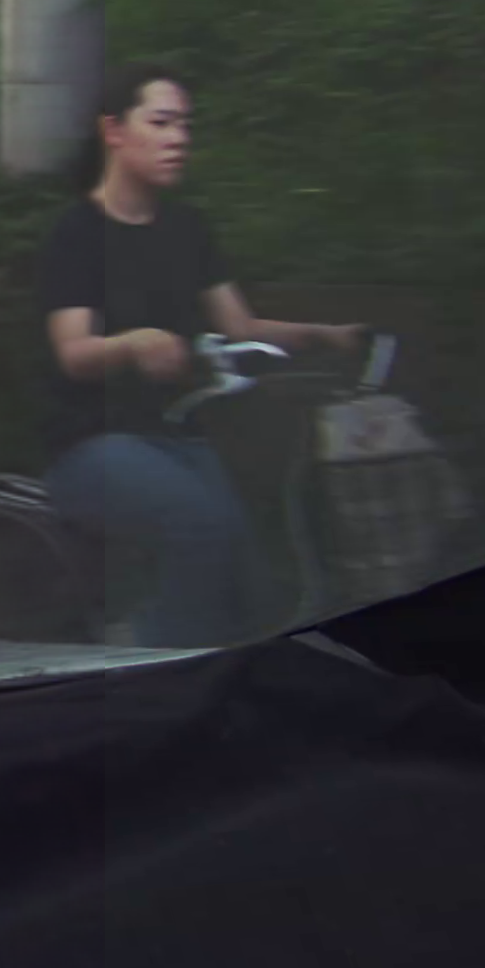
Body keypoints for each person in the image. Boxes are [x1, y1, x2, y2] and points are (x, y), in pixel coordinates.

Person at [37, 63, 362, 644]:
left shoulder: (188, 228)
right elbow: (74, 353)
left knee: (248, 570)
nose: (179, 138)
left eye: (185, 125)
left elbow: (238, 325)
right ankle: (146, 666)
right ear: (113, 131)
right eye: (161, 122)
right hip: (91, 443)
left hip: (178, 435)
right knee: (201, 528)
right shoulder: (78, 232)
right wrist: (134, 343)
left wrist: (322, 334)